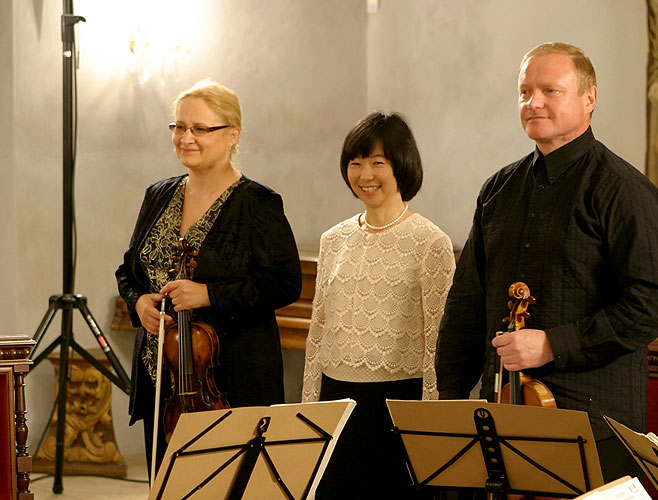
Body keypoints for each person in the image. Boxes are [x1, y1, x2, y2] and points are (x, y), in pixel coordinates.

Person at [435, 42, 658, 483]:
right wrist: (451, 401)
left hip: (596, 424)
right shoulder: (498, 189)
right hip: (503, 414)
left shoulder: (625, 190)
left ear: (590, 98)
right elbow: (467, 302)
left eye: (551, 90)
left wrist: (554, 343)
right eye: (525, 92)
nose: (534, 102)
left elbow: (654, 303)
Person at [115, 80, 301, 476]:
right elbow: (129, 271)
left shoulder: (257, 203)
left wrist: (208, 295)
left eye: (201, 128)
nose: (186, 138)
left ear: (233, 134)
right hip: (163, 381)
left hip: (229, 381)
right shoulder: (158, 195)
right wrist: (139, 302)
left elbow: (285, 283)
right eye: (179, 127)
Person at [302, 111, 456, 499]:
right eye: (356, 163)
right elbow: (317, 332)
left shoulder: (430, 242)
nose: (365, 174)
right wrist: (309, 409)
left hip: (396, 404)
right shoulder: (332, 240)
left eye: (377, 163)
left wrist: (431, 427)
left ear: (401, 165)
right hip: (336, 402)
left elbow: (437, 341)